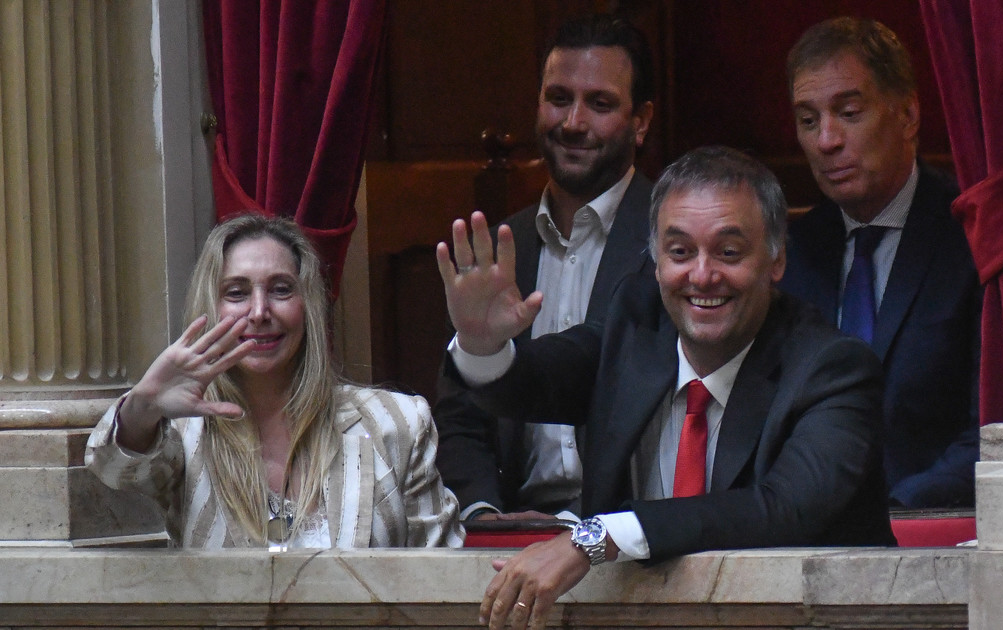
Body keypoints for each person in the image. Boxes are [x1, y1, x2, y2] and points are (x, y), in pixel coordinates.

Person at [436, 146, 894, 630]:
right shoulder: (636, 325)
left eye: (729, 252)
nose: (702, 275)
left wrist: (597, 538)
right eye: (680, 252)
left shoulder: (833, 369)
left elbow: (783, 509)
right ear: (655, 263)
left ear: (776, 259)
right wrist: (482, 343)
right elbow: (531, 382)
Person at [86, 214, 464, 549]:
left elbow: (440, 571)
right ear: (211, 307)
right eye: (236, 293)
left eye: (281, 289)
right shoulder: (181, 434)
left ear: (308, 305)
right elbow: (113, 471)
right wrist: (143, 407)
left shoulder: (396, 422)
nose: (259, 311)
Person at [433, 13, 655, 521]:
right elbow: (461, 413)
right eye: (558, 98)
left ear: (641, 121)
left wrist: (582, 527)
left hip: (627, 536)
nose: (573, 123)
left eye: (600, 104)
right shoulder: (497, 250)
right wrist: (483, 515)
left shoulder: (676, 245)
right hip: (508, 535)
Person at [780, 17, 980, 508]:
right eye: (808, 120)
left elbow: (994, 428)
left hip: (935, 526)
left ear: (908, 114)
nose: (826, 140)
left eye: (848, 113)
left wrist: (892, 519)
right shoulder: (790, 254)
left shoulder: (972, 238)